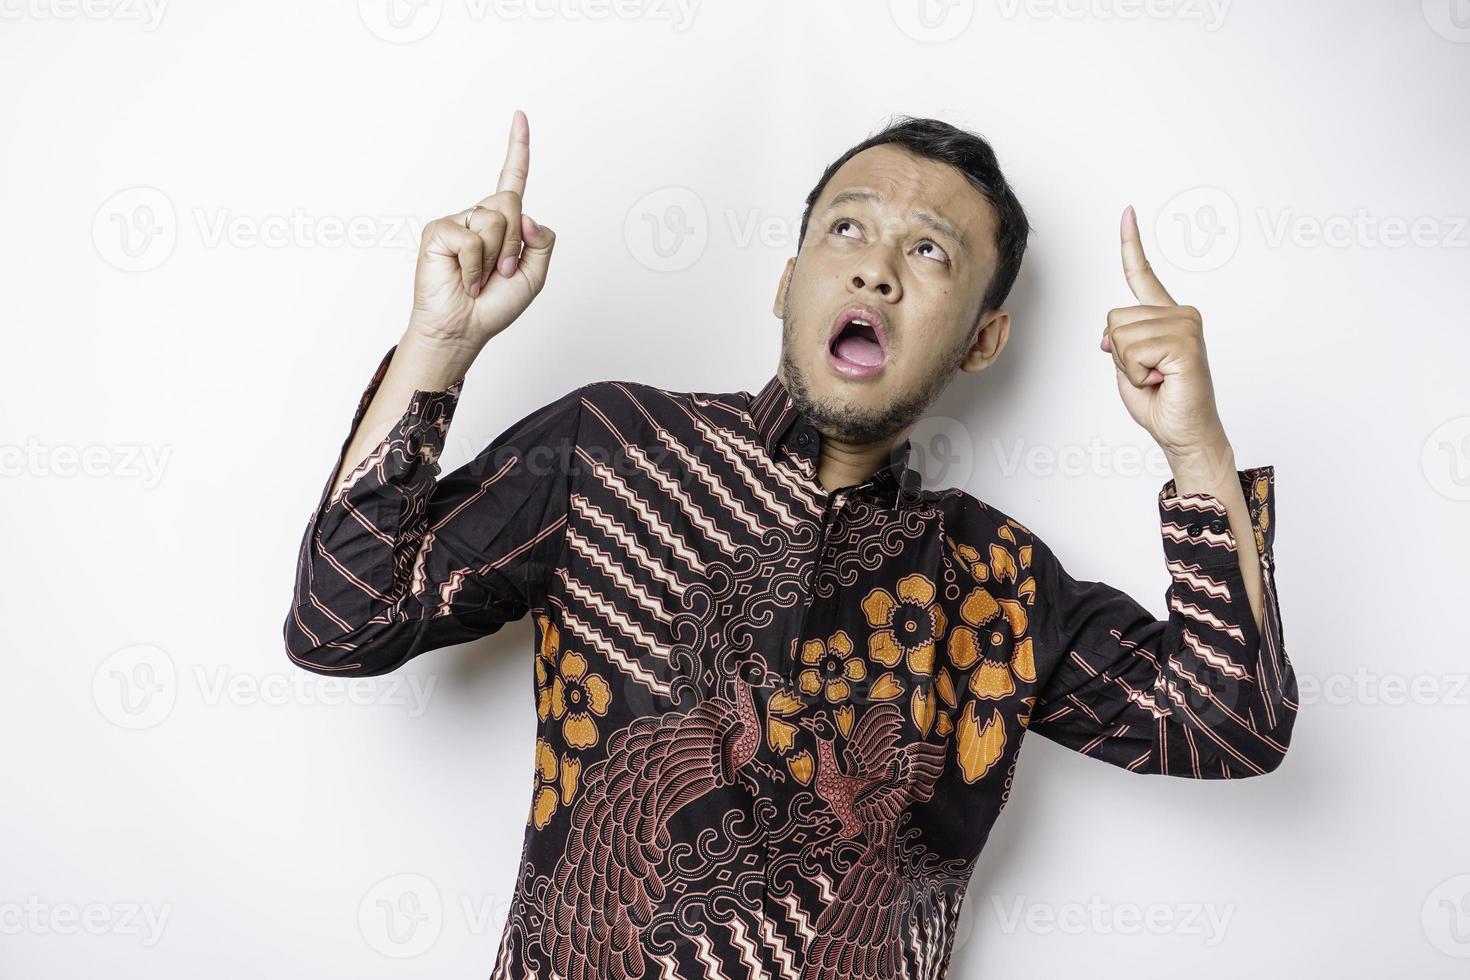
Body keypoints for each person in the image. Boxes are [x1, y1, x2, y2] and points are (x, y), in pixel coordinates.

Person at [284, 109, 1295, 980]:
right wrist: (438, 345)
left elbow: (1232, 722)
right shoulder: (612, 449)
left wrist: (1194, 444)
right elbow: (341, 620)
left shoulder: (1000, 586)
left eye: (930, 250)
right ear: (788, 281)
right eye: (846, 227)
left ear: (984, 339)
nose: (877, 266)